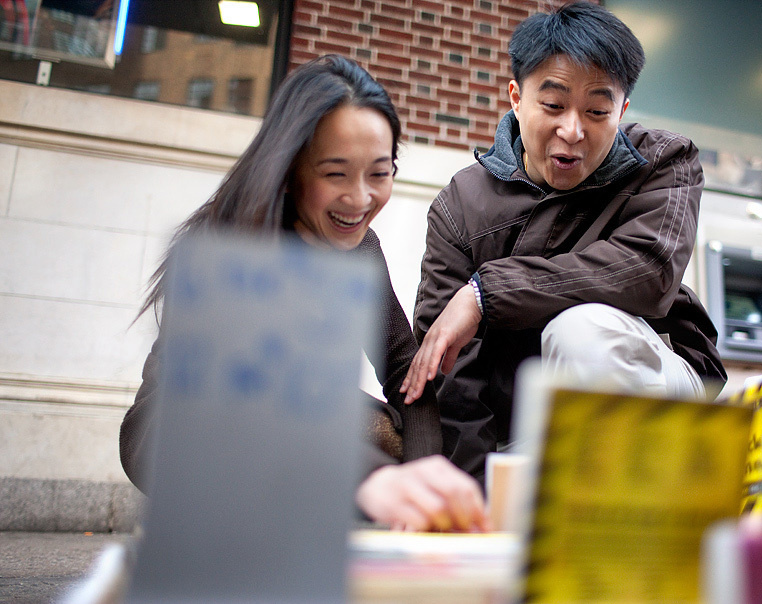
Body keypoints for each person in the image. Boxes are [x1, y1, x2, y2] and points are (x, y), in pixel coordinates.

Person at [120, 55, 488, 533]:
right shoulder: (229, 242)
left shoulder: (359, 249)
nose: (360, 199)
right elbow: (237, 402)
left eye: (379, 173)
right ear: (290, 166)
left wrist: (420, 475)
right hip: (176, 431)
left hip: (298, 437)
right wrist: (371, 477)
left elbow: (404, 370)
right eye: (336, 174)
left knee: (389, 433)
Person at [401, 2, 727, 483]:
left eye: (597, 111)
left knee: (583, 330)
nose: (572, 131)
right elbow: (452, 376)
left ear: (622, 111)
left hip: (658, 397)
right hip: (530, 434)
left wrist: (485, 294)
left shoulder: (664, 161)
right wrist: (470, 499)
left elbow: (648, 270)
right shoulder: (460, 206)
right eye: (553, 106)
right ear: (516, 98)